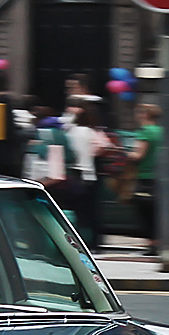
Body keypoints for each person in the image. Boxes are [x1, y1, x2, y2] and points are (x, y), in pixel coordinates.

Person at [64, 102, 106, 251]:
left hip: (75, 173)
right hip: (90, 174)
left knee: (77, 211)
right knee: (91, 211)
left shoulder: (71, 132)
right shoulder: (92, 132)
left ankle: (78, 241)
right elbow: (102, 147)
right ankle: (94, 243)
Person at [127, 103, 161, 255]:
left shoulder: (144, 132)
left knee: (145, 212)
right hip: (160, 176)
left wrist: (125, 153)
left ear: (145, 115)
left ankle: (153, 244)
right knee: (157, 211)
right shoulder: (162, 131)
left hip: (145, 176)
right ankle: (159, 242)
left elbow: (138, 155)